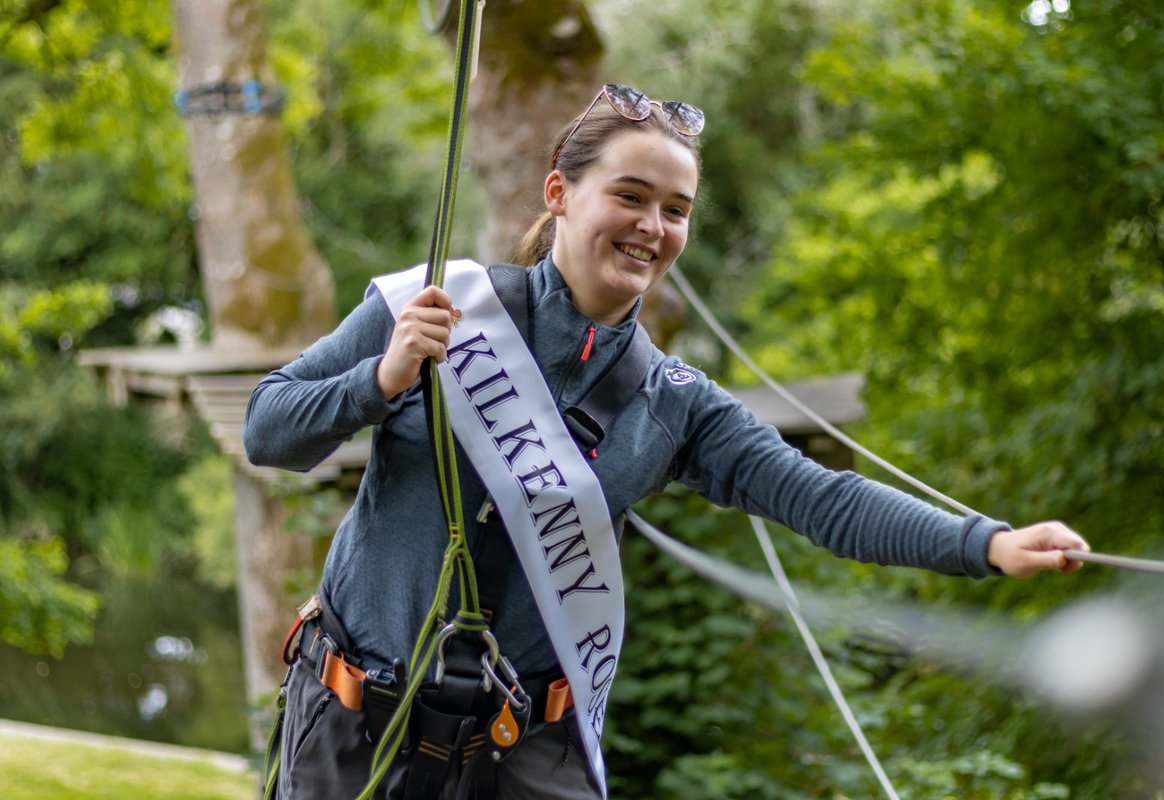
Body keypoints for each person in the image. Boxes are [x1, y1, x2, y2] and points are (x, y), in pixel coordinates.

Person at [243, 83, 1089, 800]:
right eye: (631, 196)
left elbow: (822, 499)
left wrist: (988, 544)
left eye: (675, 210)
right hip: (354, 733)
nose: (653, 225)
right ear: (558, 193)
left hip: (524, 755)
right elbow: (267, 429)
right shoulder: (435, 308)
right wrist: (381, 379)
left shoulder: (674, 403)